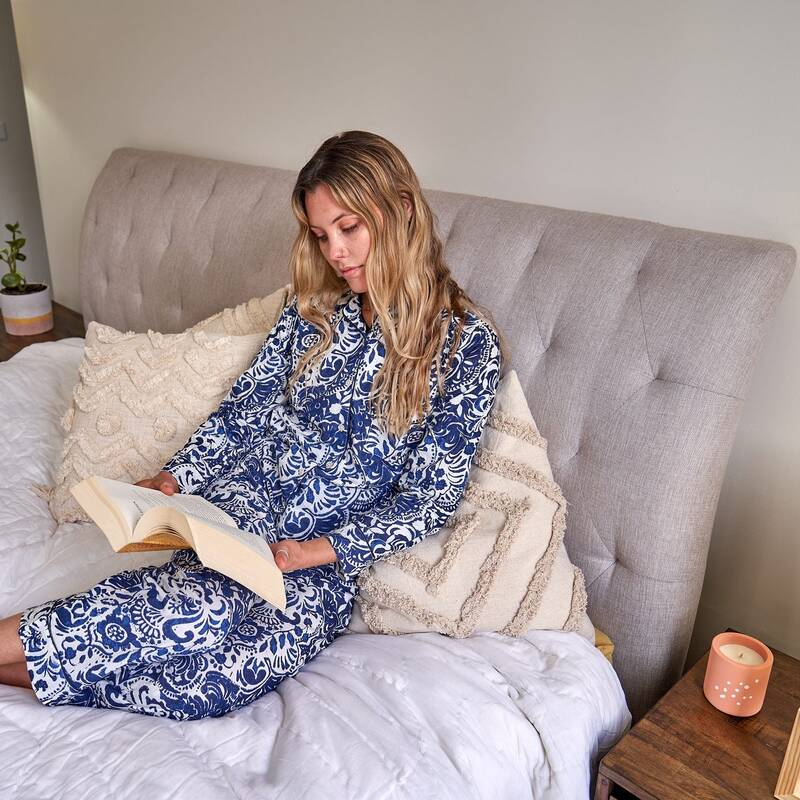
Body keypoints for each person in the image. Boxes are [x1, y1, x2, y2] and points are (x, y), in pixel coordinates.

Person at [0, 130, 506, 720]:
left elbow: (428, 499)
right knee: (192, 611)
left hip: (322, 560)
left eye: (349, 228)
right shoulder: (314, 310)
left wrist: (311, 553)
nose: (336, 253)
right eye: (321, 235)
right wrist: (173, 478)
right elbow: (245, 410)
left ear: (402, 210)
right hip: (243, 510)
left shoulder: (467, 346)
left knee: (211, 685)